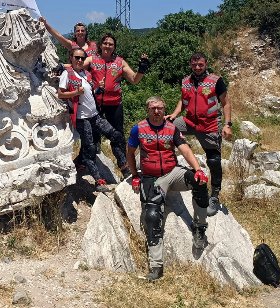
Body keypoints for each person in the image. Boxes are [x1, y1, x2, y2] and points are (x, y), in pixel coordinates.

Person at [127, 96, 210, 281]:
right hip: (152, 178)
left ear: (165, 110)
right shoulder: (138, 129)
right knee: (152, 215)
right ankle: (156, 267)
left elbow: (185, 149)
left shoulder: (172, 128)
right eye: (153, 108)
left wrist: (198, 170)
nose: (157, 111)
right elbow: (130, 153)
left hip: (173, 172)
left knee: (200, 182)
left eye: (160, 108)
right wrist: (135, 175)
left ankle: (199, 228)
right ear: (147, 110)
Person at [167, 52, 232, 217]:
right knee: (166, 127)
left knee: (213, 159)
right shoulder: (186, 81)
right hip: (189, 121)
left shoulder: (216, 81)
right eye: (194, 65)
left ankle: (215, 195)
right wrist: (175, 114)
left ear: (206, 64)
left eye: (200, 65)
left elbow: (225, 102)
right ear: (190, 64)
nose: (197, 67)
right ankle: (164, 166)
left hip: (209, 124)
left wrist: (227, 125)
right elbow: (183, 100)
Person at [58, 48, 126, 192]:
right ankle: (98, 180)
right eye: (77, 57)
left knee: (116, 135)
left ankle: (125, 165)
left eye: (82, 58)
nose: (80, 60)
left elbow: (90, 94)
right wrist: (76, 92)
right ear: (71, 58)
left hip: (95, 115)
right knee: (90, 148)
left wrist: (99, 89)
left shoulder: (85, 73)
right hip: (82, 118)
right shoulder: (67, 74)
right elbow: (60, 94)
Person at [89, 33, 150, 175]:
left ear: (114, 47)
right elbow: (77, 64)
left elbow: (134, 80)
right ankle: (89, 164)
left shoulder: (120, 62)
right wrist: (63, 67)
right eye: (105, 43)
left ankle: (124, 166)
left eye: (111, 44)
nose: (108, 46)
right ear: (100, 45)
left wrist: (142, 69)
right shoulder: (92, 59)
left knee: (118, 135)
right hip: (95, 104)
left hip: (114, 105)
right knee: (93, 135)